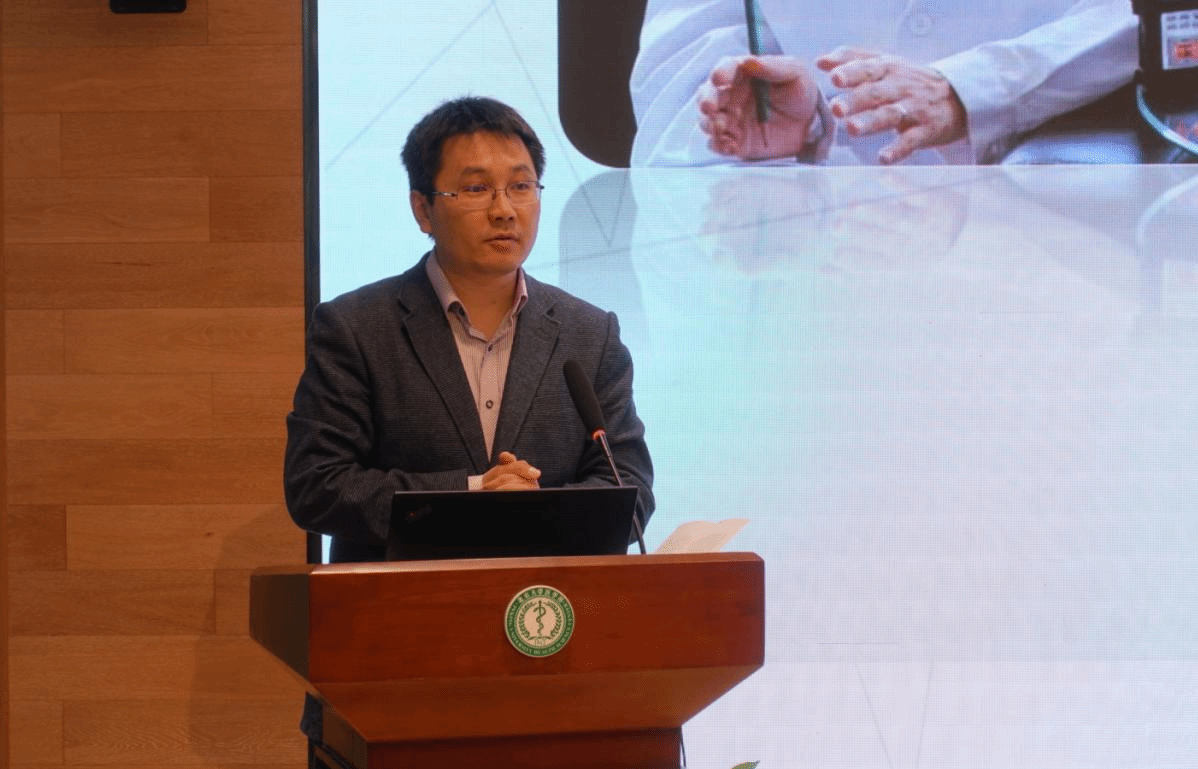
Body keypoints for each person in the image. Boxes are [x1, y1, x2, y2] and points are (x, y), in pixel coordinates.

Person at [283, 96, 654, 767]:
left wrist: (535, 509)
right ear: (423, 209)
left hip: (554, 670)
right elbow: (318, 486)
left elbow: (626, 487)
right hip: (390, 672)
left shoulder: (588, 332)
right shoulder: (356, 328)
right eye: (476, 189)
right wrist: (474, 493)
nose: (505, 209)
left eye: (521, 186)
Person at [630, 0, 1138, 166]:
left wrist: (969, 90)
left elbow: (1156, 23)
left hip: (1064, 250)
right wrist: (790, 136)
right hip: (817, 293)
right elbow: (673, 117)